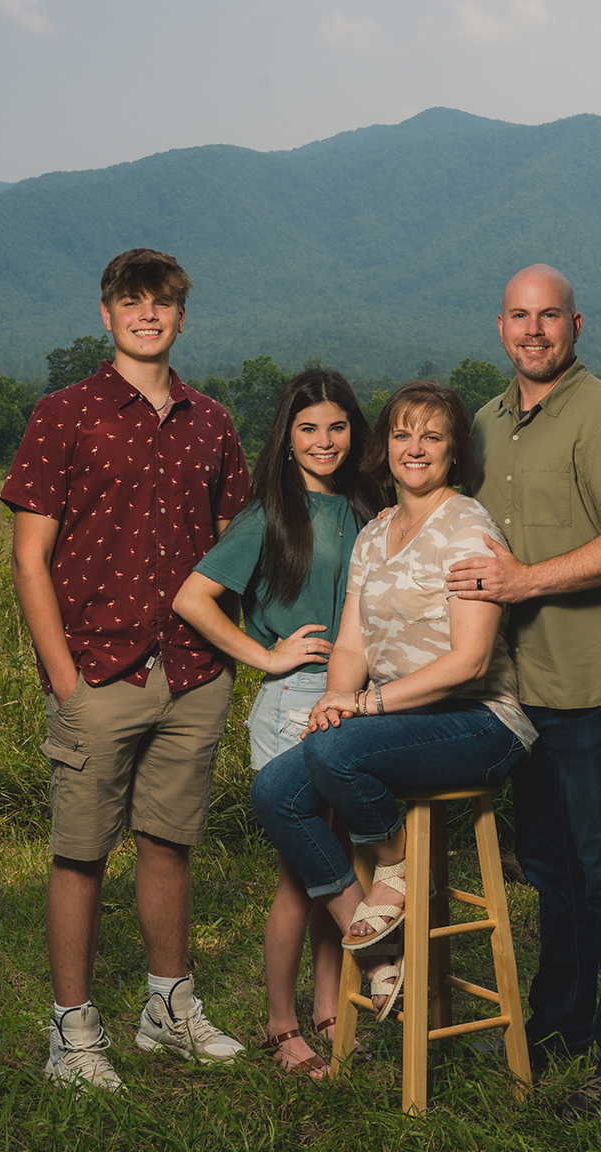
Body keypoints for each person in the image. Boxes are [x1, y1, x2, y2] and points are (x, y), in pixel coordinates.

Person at [3, 248, 251, 1094]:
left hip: (191, 672)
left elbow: (233, 549)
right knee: (80, 852)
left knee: (168, 842)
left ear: (183, 317)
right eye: (131, 301)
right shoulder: (62, 414)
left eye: (164, 303)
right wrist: (65, 679)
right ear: (105, 314)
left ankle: (167, 1006)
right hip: (99, 670)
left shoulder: (211, 421)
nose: (148, 314)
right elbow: (30, 559)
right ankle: (72, 1034)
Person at [445, 264, 601, 1119]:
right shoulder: (487, 422)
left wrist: (526, 582)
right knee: (551, 870)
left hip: (594, 683)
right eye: (518, 315)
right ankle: (561, 1024)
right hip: (516, 689)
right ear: (499, 325)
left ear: (578, 325)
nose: (533, 330)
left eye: (550, 316)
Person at [249, 381, 536, 1011]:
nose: (415, 448)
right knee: (275, 791)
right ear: (385, 445)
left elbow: (471, 661)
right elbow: (350, 645)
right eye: (403, 434)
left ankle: (399, 870)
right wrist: (334, 700)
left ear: (454, 451)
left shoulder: (468, 529)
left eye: (432, 437)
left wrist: (365, 707)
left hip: (478, 723)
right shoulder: (375, 532)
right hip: (394, 724)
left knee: (338, 752)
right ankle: (379, 948)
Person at [172, 368, 386, 1078]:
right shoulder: (270, 513)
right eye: (307, 429)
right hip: (298, 699)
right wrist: (265, 655)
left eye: (337, 426)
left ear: (355, 432)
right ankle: (280, 1024)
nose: (324, 441)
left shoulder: (369, 505)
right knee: (303, 874)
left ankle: (330, 1009)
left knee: (340, 859)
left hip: (359, 701)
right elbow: (194, 599)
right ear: (286, 440)